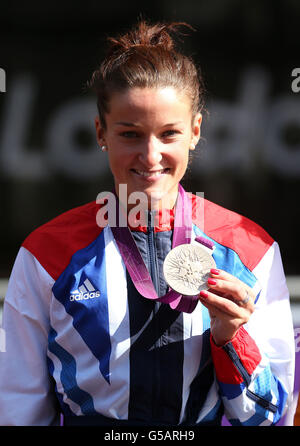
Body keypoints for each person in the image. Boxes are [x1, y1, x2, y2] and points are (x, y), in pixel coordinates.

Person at [0, 20, 295, 426]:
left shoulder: (250, 248)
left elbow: (269, 419)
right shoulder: (46, 253)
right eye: (131, 134)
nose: (151, 155)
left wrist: (230, 339)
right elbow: (18, 405)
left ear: (195, 132)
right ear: (101, 132)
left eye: (169, 134)